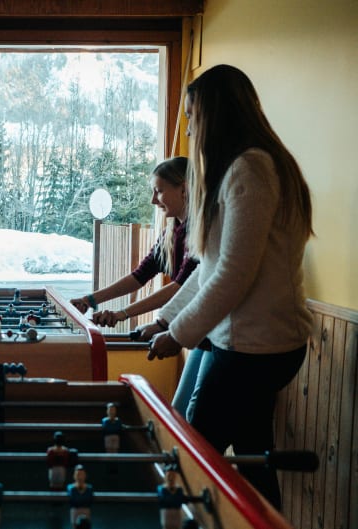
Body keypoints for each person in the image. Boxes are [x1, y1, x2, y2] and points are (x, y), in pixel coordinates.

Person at [146, 64, 314, 509]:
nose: (190, 127)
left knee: (191, 459)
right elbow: (210, 265)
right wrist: (165, 319)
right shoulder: (249, 166)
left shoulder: (250, 170)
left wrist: (178, 334)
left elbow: (232, 277)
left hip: (254, 349)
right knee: (255, 460)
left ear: (214, 114)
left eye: (192, 115)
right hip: (260, 345)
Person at [69, 156, 209, 419]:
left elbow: (180, 287)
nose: (153, 200)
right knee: (182, 414)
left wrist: (123, 314)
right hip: (200, 335)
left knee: (191, 417)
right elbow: (139, 276)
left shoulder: (201, 231)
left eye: (158, 191)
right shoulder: (173, 230)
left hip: (215, 335)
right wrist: (91, 299)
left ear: (184, 189)